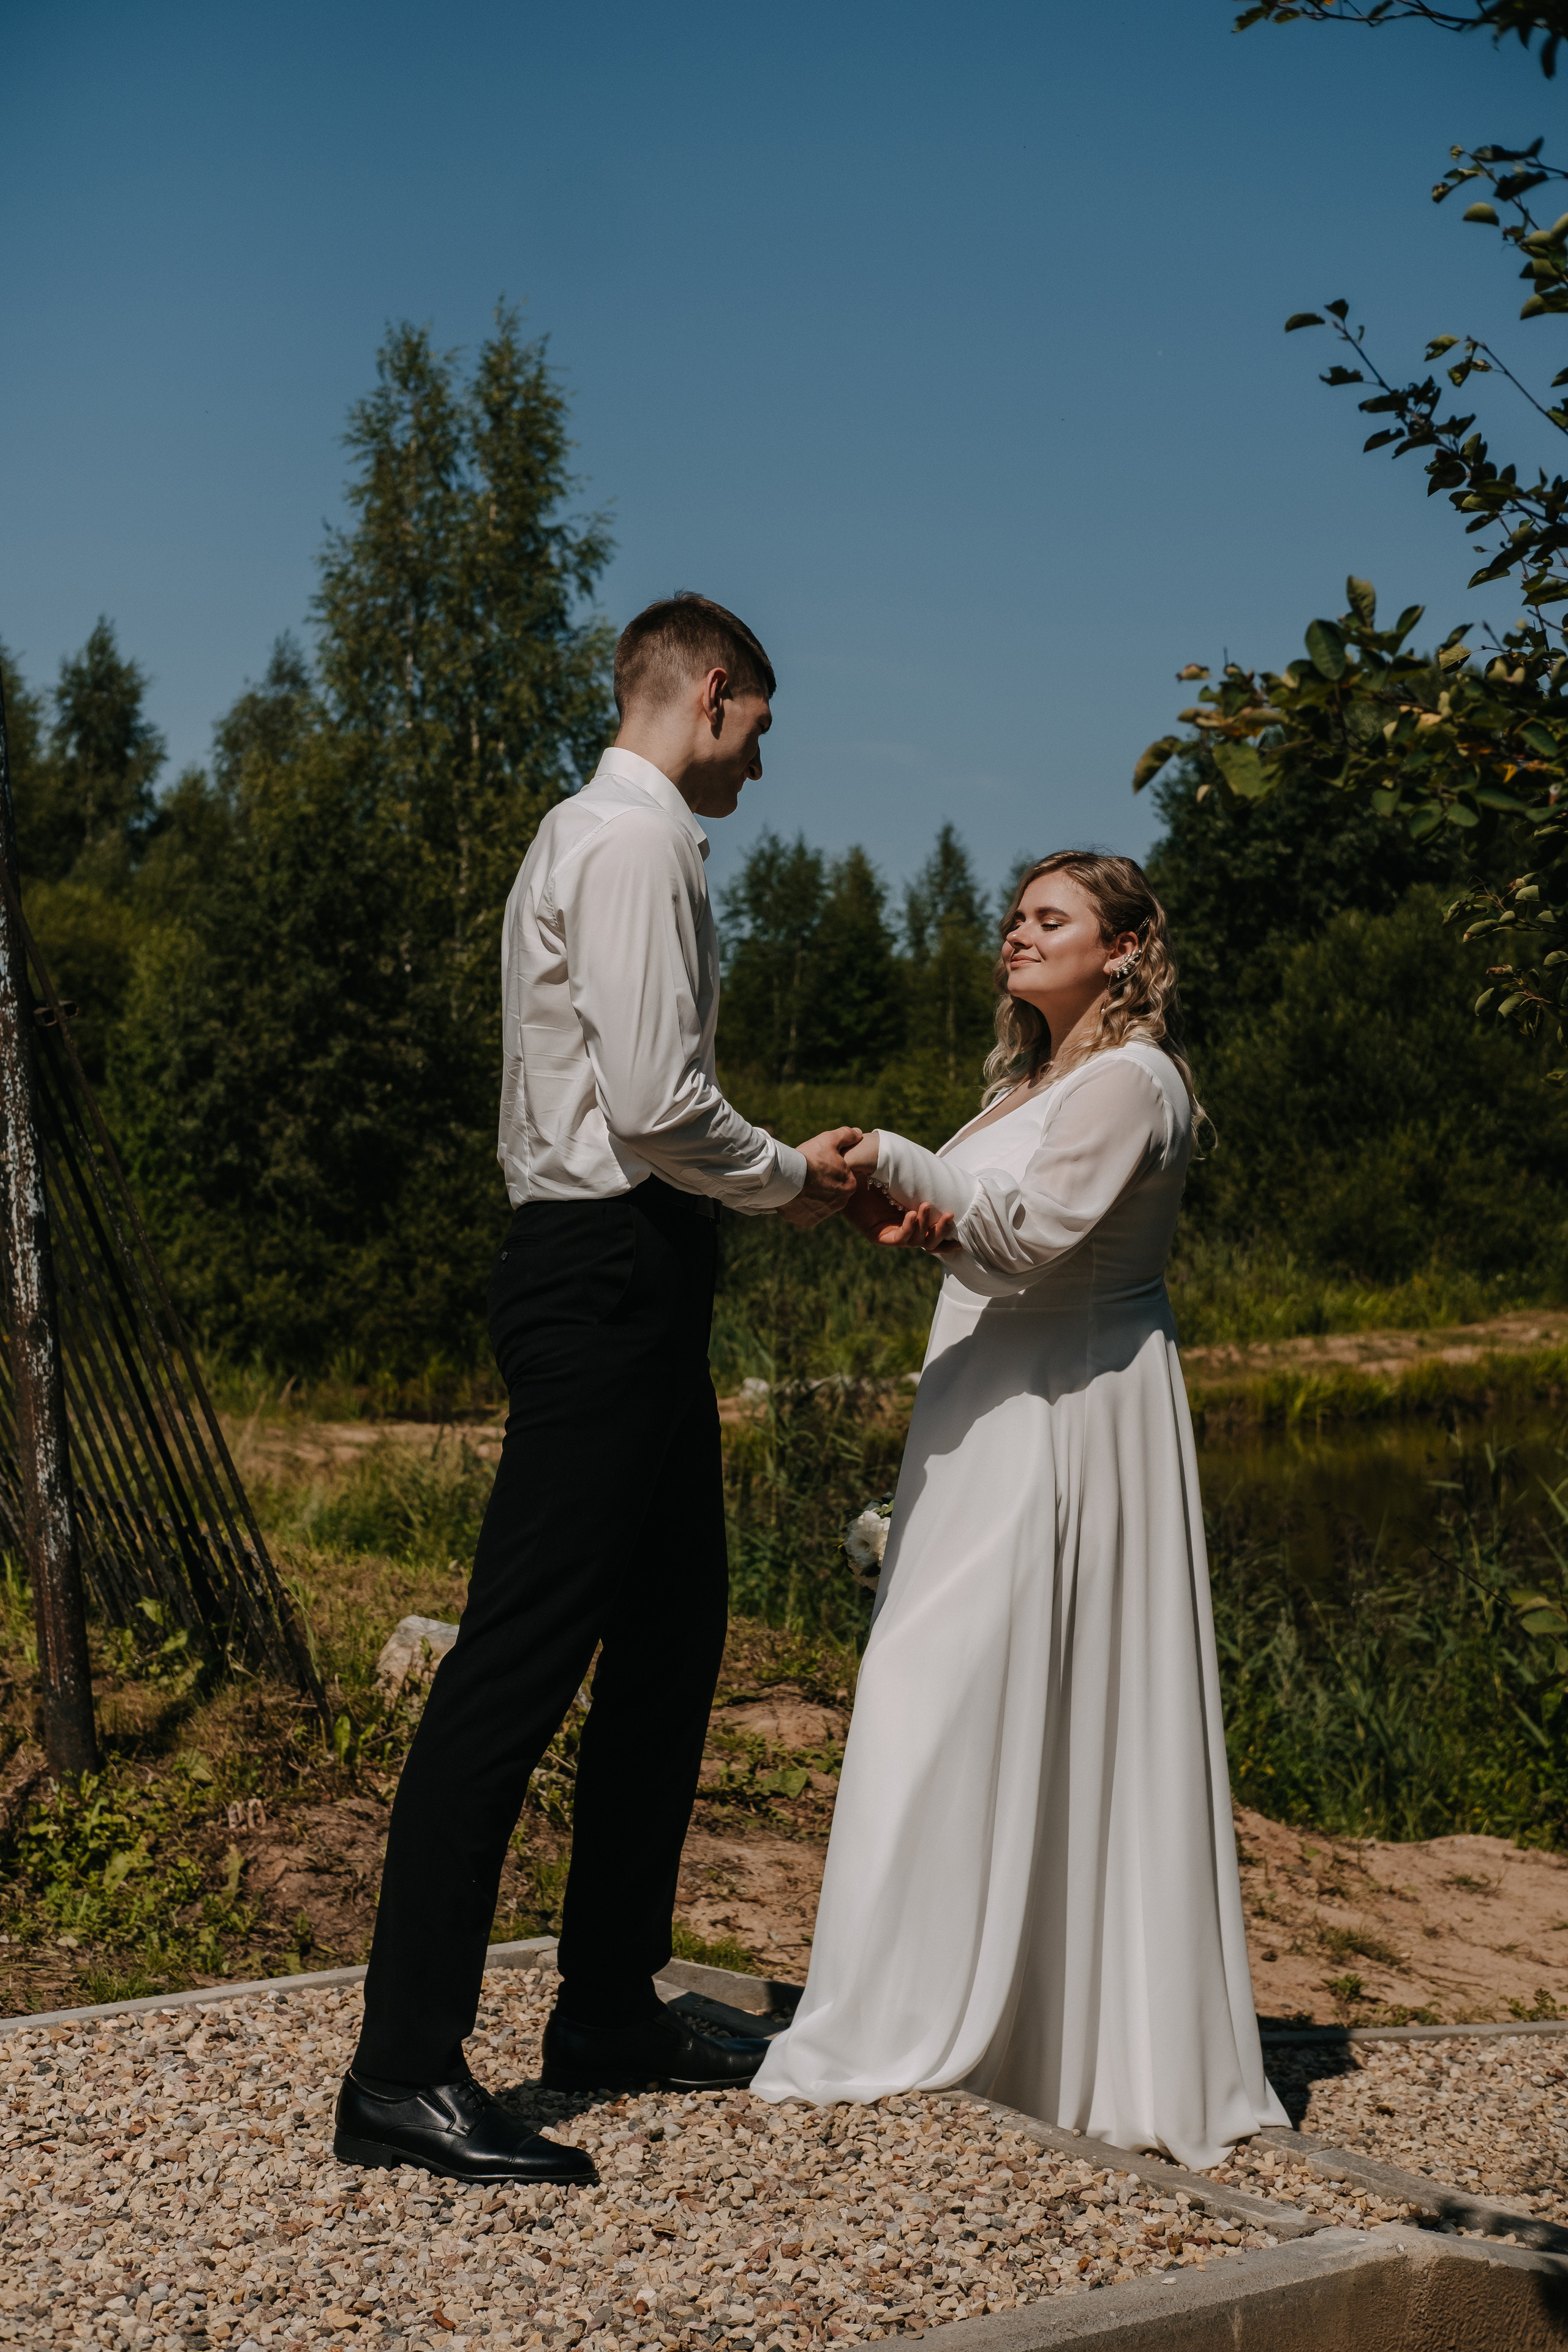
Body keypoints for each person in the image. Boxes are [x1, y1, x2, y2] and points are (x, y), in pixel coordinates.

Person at [337, 594, 861, 2185]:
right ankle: (402, 2073)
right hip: (606, 1270)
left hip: (633, 1272)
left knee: (673, 1640)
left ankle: (607, 2012)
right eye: (756, 735)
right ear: (710, 695)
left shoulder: (595, 835)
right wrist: (791, 1177)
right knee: (516, 1662)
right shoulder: (634, 842)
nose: (757, 772)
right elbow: (651, 1102)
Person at [752, 851, 1288, 2169]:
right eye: (1012, 915)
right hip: (982, 1409)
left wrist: (901, 1176)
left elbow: (1031, 1231)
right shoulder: (1026, 1083)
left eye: (1049, 918)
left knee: (943, 1691)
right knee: (961, 1696)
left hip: (1065, 1417)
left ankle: (974, 2024)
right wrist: (896, 1182)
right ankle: (950, 2012)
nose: (1015, 933)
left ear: (1121, 948)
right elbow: (980, 1206)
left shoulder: (1130, 1082)